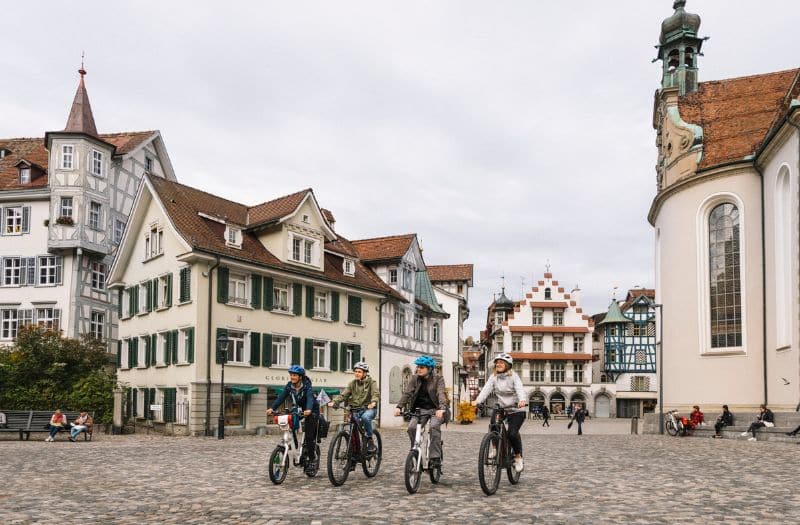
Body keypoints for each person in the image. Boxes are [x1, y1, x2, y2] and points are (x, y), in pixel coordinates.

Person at [471, 353, 527, 472]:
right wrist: (477, 401)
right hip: (502, 408)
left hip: (516, 409)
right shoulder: (494, 377)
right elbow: (486, 389)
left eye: (501, 362)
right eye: (497, 362)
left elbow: (519, 389)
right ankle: (495, 448)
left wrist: (522, 400)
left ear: (508, 365)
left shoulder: (514, 377)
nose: (498, 364)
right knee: (493, 426)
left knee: (512, 433)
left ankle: (518, 457)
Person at [394, 356, 447, 469]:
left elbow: (441, 393)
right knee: (411, 428)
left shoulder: (438, 379)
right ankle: (415, 451)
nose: (418, 369)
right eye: (418, 367)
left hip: (436, 410)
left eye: (421, 367)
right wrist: (399, 407)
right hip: (420, 410)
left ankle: (435, 457)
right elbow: (407, 393)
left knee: (433, 427)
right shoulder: (415, 379)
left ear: (429, 369)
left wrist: (442, 408)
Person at [266, 365, 320, 473]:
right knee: (290, 424)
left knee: (309, 437)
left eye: (294, 375)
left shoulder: (307, 386)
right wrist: (272, 408)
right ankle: (295, 447)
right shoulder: (289, 386)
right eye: (291, 375)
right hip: (299, 410)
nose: (292, 377)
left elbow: (310, 398)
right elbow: (281, 397)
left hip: (312, 411)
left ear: (300, 377)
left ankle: (312, 460)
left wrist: (309, 409)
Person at [329, 361, 379, 453]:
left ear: (365, 373)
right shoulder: (352, 383)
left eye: (359, 372)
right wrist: (335, 402)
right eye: (355, 371)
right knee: (352, 428)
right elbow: (344, 395)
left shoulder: (372, 382)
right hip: (355, 410)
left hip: (369, 409)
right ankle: (353, 454)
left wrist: (373, 402)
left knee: (365, 417)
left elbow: (375, 394)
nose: (357, 373)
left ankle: (370, 440)